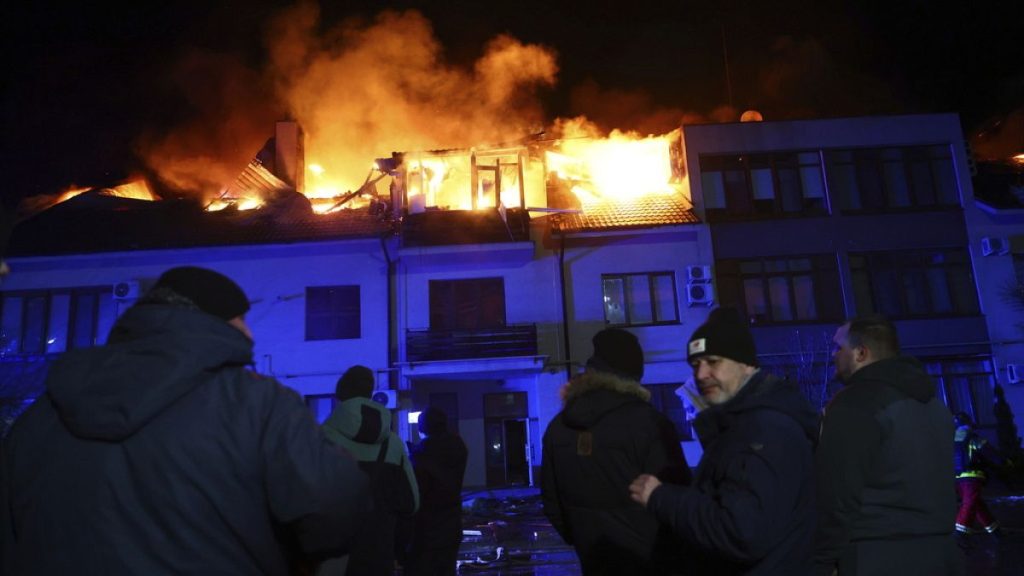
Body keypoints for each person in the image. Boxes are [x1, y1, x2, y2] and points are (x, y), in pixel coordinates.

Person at [0, 266, 370, 575]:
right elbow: (331, 511)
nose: (250, 332)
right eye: (242, 318)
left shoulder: (40, 417)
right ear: (218, 324)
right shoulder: (256, 404)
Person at [629, 306, 818, 575]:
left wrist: (661, 497)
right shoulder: (743, 424)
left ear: (746, 364)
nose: (701, 374)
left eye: (713, 361)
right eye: (695, 364)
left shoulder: (764, 430)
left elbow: (742, 533)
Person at [814, 314, 962, 575]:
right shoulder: (934, 405)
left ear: (861, 353)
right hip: (941, 554)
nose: (834, 356)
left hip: (875, 555)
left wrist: (822, 561)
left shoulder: (854, 404)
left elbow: (837, 494)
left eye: (839, 348)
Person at [541, 327, 692, 575]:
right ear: (633, 373)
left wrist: (581, 536)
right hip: (651, 560)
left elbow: (551, 500)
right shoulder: (649, 423)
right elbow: (676, 497)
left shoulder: (559, 426)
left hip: (593, 557)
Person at [318, 365, 419, 575]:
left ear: (339, 397)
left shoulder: (318, 439)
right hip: (378, 553)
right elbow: (411, 502)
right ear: (369, 393)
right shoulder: (393, 443)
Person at [404, 406, 468, 576]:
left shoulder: (420, 455)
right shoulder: (458, 446)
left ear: (422, 428)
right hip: (451, 523)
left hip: (426, 529)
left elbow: (416, 494)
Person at [953, 412, 1004, 535]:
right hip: (972, 476)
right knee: (970, 503)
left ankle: (994, 529)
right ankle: (960, 533)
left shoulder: (950, 440)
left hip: (956, 478)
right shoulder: (974, 439)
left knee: (976, 503)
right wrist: (1005, 462)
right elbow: (992, 455)